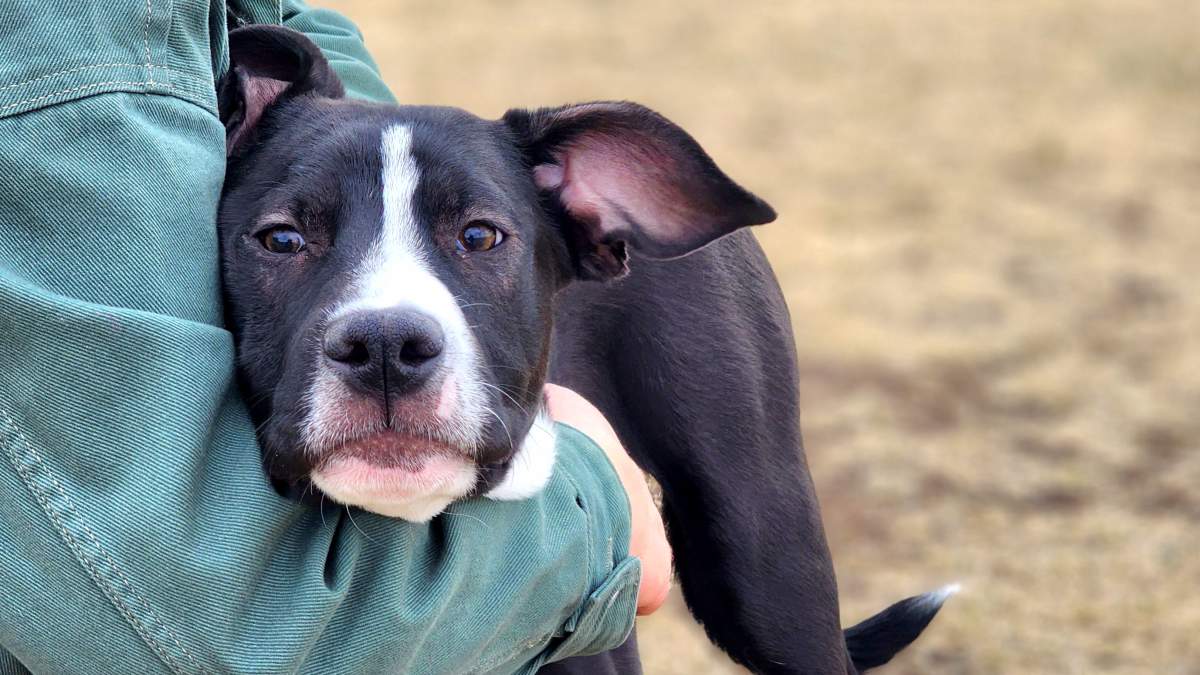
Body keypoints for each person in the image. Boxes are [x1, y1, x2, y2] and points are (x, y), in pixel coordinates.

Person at [0, 2, 670, 673]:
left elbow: (273, 13)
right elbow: (191, 633)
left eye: (479, 237)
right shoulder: (63, 58)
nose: (384, 336)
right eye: (285, 240)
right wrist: (598, 500)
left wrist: (346, 138)